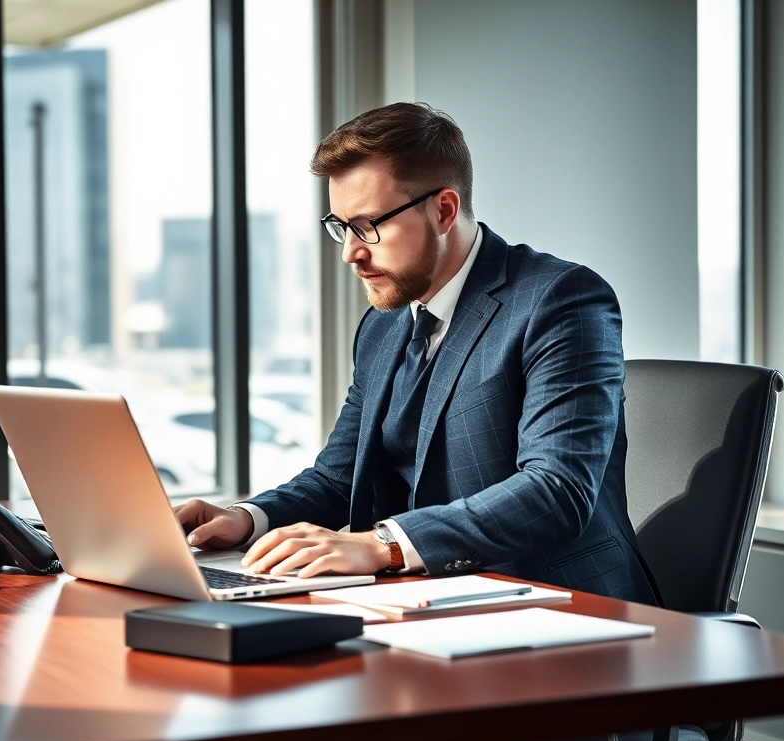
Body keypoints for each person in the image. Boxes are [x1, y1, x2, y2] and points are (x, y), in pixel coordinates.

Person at [174, 102, 658, 604]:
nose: (351, 252)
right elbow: (340, 478)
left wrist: (383, 545)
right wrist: (248, 518)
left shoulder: (560, 299)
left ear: (444, 210)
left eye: (369, 225)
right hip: (423, 605)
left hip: (565, 609)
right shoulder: (383, 326)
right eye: (341, 226)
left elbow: (557, 490)